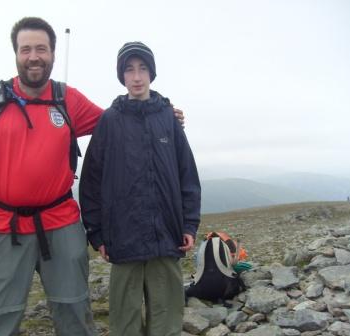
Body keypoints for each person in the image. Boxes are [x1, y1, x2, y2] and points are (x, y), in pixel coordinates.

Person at [0, 17, 184, 336]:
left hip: (60, 220)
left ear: (52, 53)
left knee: (74, 310)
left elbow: (117, 119)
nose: (34, 56)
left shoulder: (68, 99)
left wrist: (161, 112)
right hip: (2, 224)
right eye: (26, 49)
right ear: (16, 54)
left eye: (41, 48)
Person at [79, 41, 201, 336]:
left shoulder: (167, 119)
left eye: (143, 69)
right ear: (122, 76)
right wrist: (97, 234)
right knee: (125, 323)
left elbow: (187, 175)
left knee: (167, 319)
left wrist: (189, 224)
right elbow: (91, 181)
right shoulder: (110, 120)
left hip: (166, 237)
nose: (136, 77)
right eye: (130, 70)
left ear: (152, 74)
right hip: (124, 239)